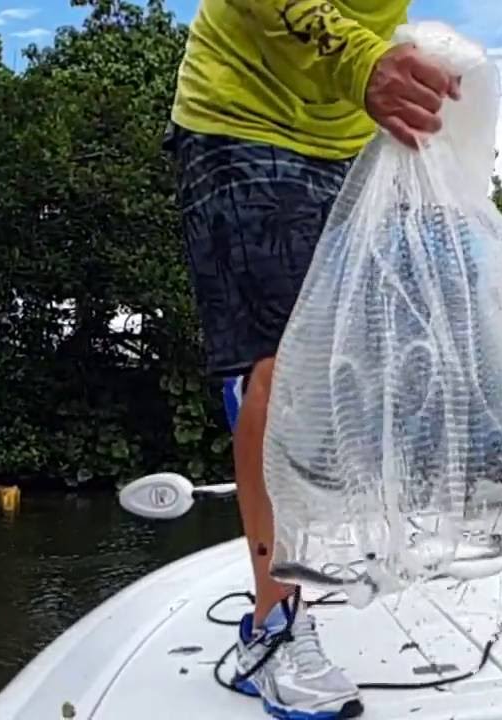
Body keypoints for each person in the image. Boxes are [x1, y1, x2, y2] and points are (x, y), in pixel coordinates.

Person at [165, 2, 459, 718]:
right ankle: (271, 630)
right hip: (243, 113)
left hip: (350, 135)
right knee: (280, 367)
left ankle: (315, 570)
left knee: (360, 357)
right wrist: (364, 62)